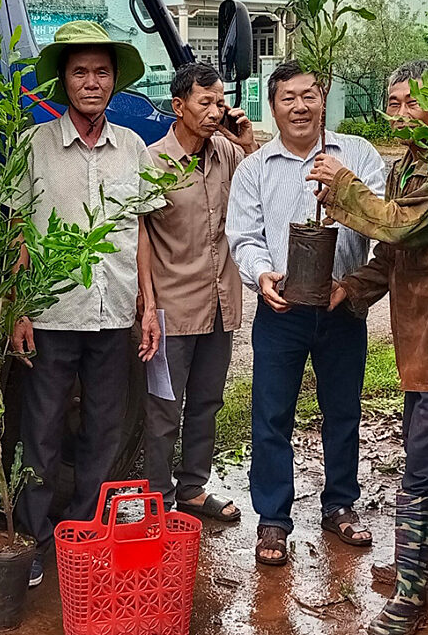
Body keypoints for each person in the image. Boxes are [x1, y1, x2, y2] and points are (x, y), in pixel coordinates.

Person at [307, 59, 428, 635]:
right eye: (392, 104)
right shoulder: (412, 164)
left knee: (421, 473)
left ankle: (410, 598)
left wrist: (343, 184)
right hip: (423, 345)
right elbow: (395, 257)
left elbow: (397, 227)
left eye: (410, 103)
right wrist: (351, 288)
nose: (399, 115)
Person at [10, 21, 163, 588]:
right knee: (42, 431)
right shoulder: (36, 146)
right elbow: (17, 233)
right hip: (53, 314)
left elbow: (140, 232)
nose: (92, 82)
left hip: (114, 311)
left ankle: (86, 535)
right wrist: (18, 309)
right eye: (80, 72)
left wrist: (147, 306)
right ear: (65, 81)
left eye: (101, 72)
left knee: (104, 429)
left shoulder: (134, 149)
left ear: (114, 80)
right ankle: (31, 539)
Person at [226, 60, 386, 566]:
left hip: (343, 309)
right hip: (282, 311)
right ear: (272, 108)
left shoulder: (356, 154)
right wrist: (261, 274)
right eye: (288, 97)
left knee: (342, 411)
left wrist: (343, 191)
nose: (300, 106)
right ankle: (273, 519)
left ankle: (340, 504)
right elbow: (244, 236)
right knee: (271, 415)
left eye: (309, 95)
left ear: (323, 100)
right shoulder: (255, 168)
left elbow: (383, 218)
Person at [139, 62, 258, 521]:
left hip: (220, 305)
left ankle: (192, 488)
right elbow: (140, 236)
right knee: (164, 409)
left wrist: (246, 142)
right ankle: (157, 498)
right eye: (204, 102)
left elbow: (258, 194)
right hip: (172, 308)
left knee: (207, 402)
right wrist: (147, 304)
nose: (216, 111)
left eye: (220, 101)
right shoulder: (152, 161)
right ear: (178, 105)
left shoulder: (228, 154)